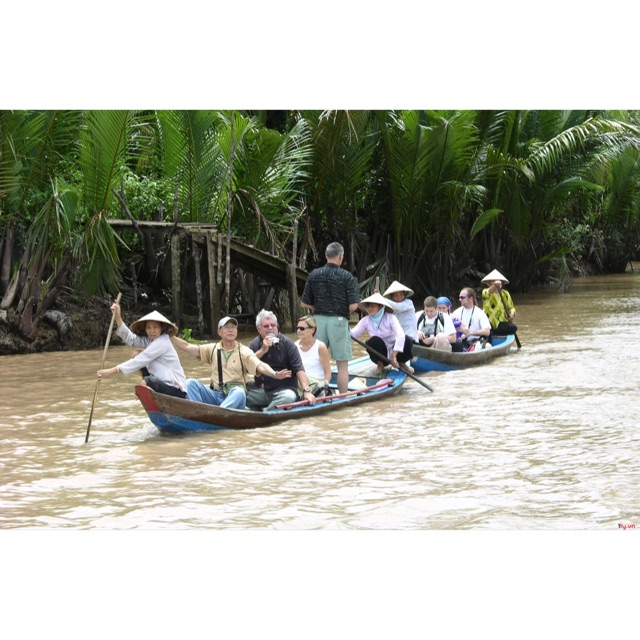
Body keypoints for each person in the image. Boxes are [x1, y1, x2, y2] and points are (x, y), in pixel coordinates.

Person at [170, 316, 291, 410]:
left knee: (239, 392)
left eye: (233, 327)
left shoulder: (243, 351)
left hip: (233, 397)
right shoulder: (212, 349)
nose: (230, 330)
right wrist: (171, 336)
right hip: (215, 394)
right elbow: (187, 346)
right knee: (190, 383)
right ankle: (197, 412)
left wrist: (275, 374)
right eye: (226, 327)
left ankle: (218, 415)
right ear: (219, 332)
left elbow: (260, 365)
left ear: (237, 331)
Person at [301, 242, 360, 393]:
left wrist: (318, 308)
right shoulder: (347, 276)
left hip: (317, 321)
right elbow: (354, 306)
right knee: (342, 365)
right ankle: (342, 398)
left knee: (317, 360)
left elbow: (304, 303)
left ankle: (313, 392)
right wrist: (339, 309)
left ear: (326, 256)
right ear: (341, 257)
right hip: (339, 322)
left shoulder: (314, 274)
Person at [97, 305, 187, 398]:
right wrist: (118, 317)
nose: (152, 331)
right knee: (136, 354)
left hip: (175, 388)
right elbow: (130, 339)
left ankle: (147, 385)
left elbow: (141, 359)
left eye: (155, 327)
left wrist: (111, 371)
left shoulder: (162, 341)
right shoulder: (149, 340)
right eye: (149, 328)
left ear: (162, 328)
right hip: (161, 382)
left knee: (145, 380)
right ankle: (148, 386)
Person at [247, 310, 317, 410]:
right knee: (239, 394)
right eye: (266, 326)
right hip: (262, 391)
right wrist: (262, 350)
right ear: (259, 329)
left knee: (288, 398)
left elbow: (299, 368)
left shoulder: (287, 343)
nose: (270, 328)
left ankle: (265, 414)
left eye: (273, 325)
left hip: (284, 390)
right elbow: (245, 367)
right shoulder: (254, 344)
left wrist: (307, 391)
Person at [350, 292, 414, 374]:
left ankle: (401, 363)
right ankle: (380, 364)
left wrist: (394, 356)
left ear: (380, 307)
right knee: (373, 341)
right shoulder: (365, 320)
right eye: (368, 306)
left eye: (373, 306)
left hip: (396, 352)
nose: (369, 309)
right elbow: (353, 334)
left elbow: (400, 335)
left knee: (407, 339)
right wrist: (345, 326)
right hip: (381, 353)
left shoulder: (391, 318)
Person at [294, 315, 332, 394]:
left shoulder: (320, 347)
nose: (298, 331)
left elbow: (327, 372)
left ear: (312, 330)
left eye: (302, 328)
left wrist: (324, 386)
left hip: (316, 382)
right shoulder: (294, 346)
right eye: (297, 328)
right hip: (301, 379)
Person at [481, 269, 517, 334]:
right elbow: (488, 292)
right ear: (490, 282)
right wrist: (495, 285)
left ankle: (492, 332)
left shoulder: (505, 293)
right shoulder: (485, 291)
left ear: (502, 282)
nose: (497, 282)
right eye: (493, 281)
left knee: (513, 327)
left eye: (499, 281)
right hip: (489, 322)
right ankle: (490, 332)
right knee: (488, 327)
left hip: (501, 322)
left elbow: (512, 308)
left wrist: (511, 314)